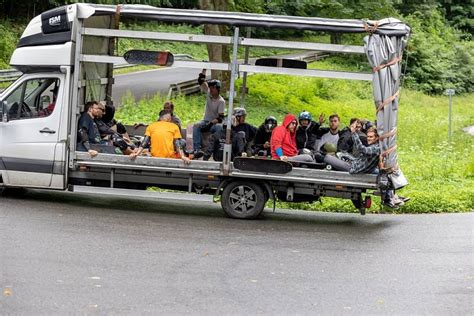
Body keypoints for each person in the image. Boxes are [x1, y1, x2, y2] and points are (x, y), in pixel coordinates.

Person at [193, 69, 225, 157]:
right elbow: (201, 80)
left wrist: (210, 124)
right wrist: (204, 69)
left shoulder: (221, 101)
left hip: (214, 123)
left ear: (218, 89)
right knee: (196, 126)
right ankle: (197, 149)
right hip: (206, 121)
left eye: (213, 88)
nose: (211, 90)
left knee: (219, 128)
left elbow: (220, 118)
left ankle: (217, 150)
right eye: (210, 88)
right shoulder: (208, 93)